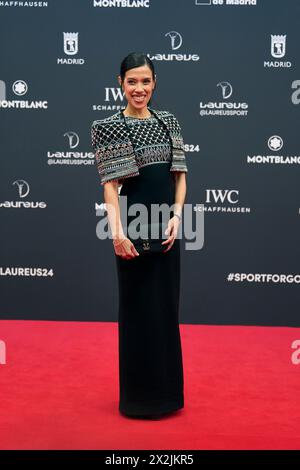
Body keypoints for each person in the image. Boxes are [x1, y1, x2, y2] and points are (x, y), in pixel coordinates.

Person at [91, 52, 188, 419]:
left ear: (154, 83)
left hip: (166, 230)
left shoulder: (169, 122)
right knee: (137, 314)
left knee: (165, 311)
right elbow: (110, 188)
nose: (139, 88)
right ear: (120, 83)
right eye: (132, 81)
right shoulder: (110, 127)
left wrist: (178, 216)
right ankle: (138, 399)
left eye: (145, 81)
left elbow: (179, 175)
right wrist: (117, 234)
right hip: (131, 235)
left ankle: (168, 396)